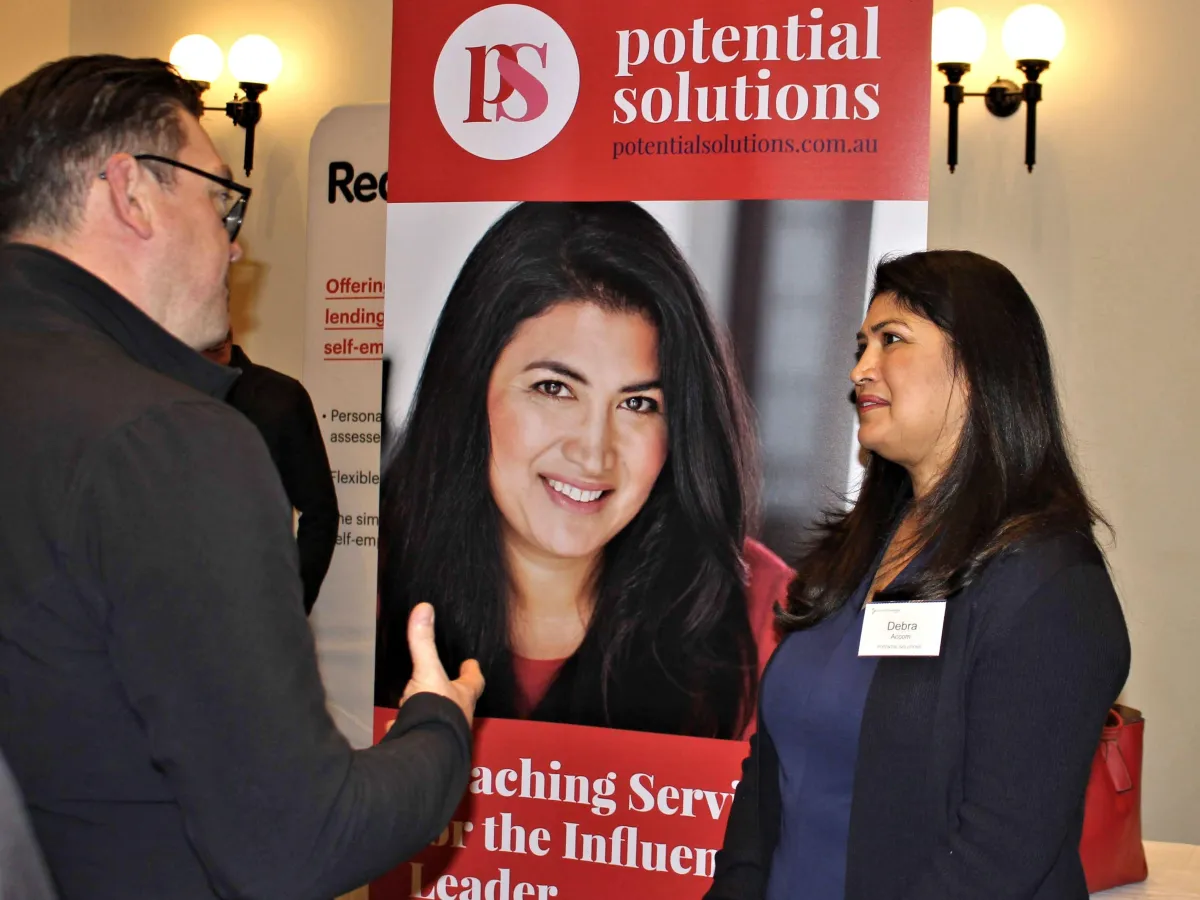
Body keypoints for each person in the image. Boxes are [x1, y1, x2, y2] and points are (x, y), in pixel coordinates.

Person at [0, 55, 483, 900]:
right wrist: (440, 723)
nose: (236, 241)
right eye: (222, 201)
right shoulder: (171, 439)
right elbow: (297, 844)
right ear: (132, 192)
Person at [706, 250, 1131, 899]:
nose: (860, 369)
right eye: (862, 346)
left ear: (977, 367)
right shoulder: (852, 555)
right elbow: (767, 773)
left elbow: (999, 852)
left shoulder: (1050, 584)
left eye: (892, 340)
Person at [375, 201, 792, 739]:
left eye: (638, 404)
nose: (594, 454)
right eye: (554, 388)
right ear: (468, 390)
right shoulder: (359, 587)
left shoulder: (763, 615)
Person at [203, 330, 340, 614]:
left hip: (254, 609)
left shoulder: (279, 398)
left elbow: (319, 512)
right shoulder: (156, 395)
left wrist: (292, 604)